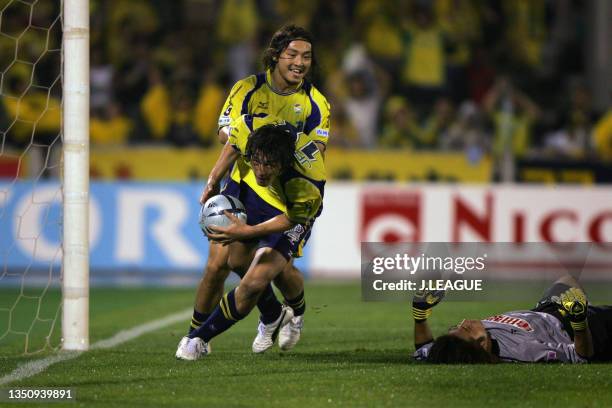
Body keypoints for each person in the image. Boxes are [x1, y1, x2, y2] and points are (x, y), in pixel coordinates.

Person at [180, 24, 330, 355]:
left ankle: (293, 313)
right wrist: (215, 176)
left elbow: (315, 154)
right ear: (275, 55)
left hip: (289, 195)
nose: (300, 62)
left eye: (306, 56)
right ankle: (272, 314)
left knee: (275, 271)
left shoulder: (315, 104)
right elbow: (229, 136)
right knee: (230, 261)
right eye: (292, 54)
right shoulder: (248, 90)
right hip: (247, 183)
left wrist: (279, 156)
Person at [176, 115, 325, 360]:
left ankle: (198, 340)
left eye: (269, 165)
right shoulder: (250, 131)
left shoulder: (306, 184)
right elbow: (232, 145)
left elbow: (290, 219)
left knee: (261, 278)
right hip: (259, 195)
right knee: (236, 262)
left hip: (291, 210)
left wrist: (247, 231)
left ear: (283, 163)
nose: (260, 170)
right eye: (256, 162)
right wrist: (212, 181)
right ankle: (273, 314)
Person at [413, 275, 612, 363]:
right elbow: (581, 355)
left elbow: (424, 349)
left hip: (542, 310)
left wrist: (420, 317)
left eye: (455, 327)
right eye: (466, 329)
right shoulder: (524, 350)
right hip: (571, 325)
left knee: (568, 279)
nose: (464, 322)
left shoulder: (448, 351)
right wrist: (579, 322)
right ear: (481, 345)